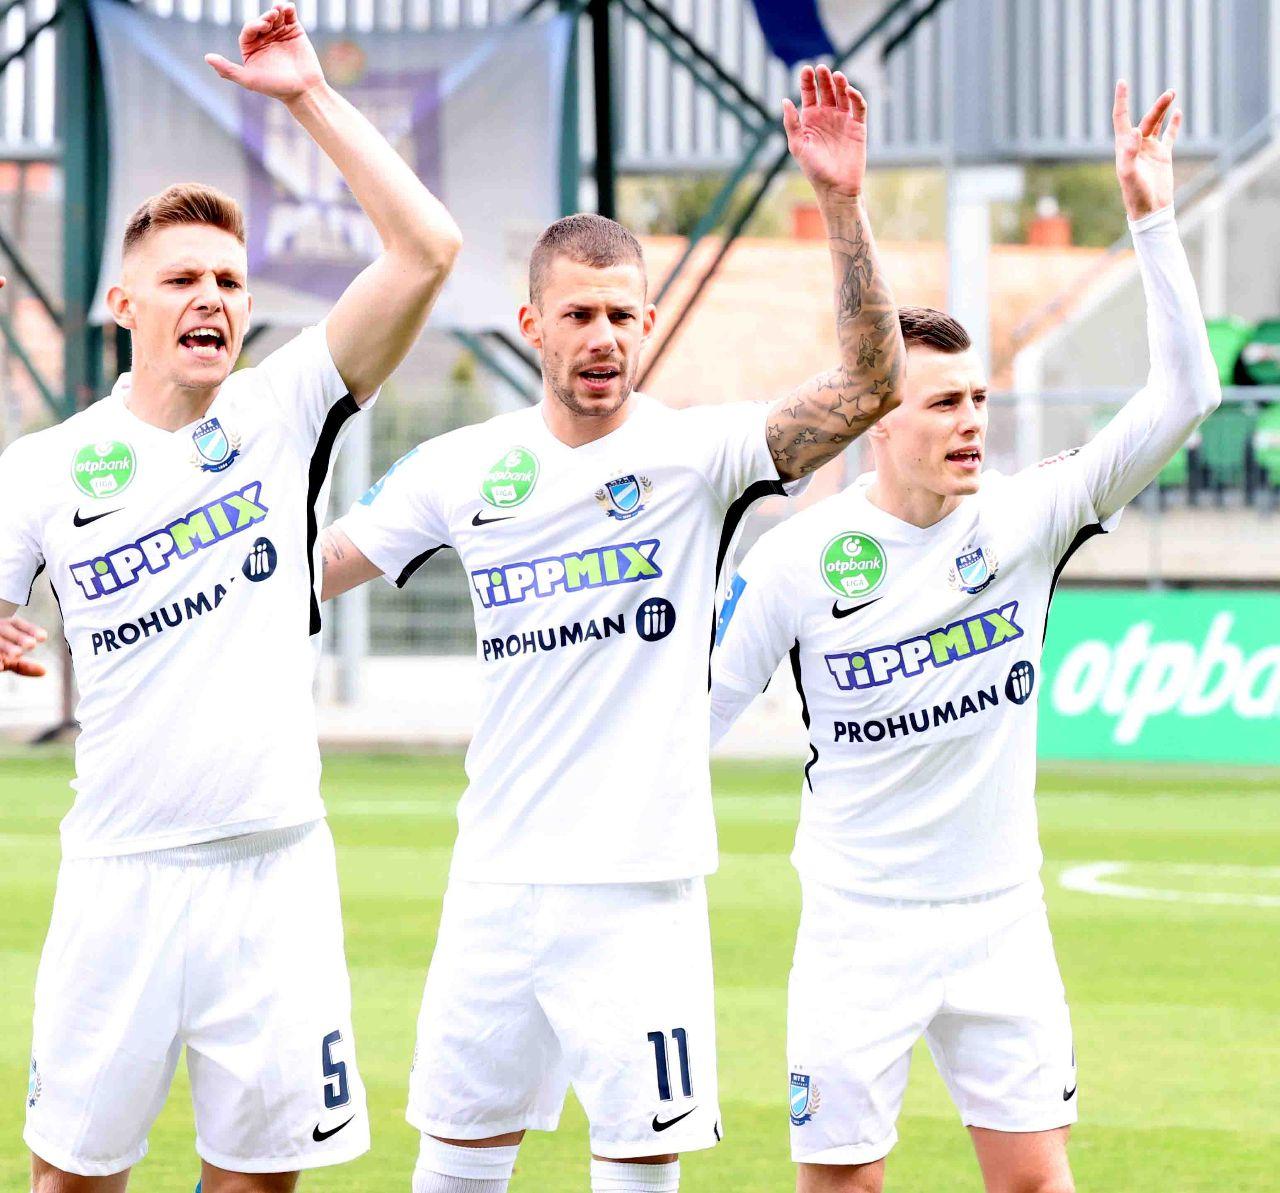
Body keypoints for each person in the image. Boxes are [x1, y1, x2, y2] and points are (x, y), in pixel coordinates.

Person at [318, 64, 903, 1193]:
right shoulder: (460, 467)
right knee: (454, 1165)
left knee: (637, 1164)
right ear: (532, 323)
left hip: (639, 887)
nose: (602, 337)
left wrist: (840, 202)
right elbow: (306, 576)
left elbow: (870, 386)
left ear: (647, 324)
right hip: (495, 877)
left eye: (622, 316)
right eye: (579, 315)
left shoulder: (699, 454)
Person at [708, 83, 1219, 1193]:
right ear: (876, 418)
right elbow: (683, 721)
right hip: (857, 925)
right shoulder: (795, 561)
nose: (972, 421)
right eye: (942, 403)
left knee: (1034, 1180)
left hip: (999, 918)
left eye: (978, 398)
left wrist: (1150, 217)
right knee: (843, 1181)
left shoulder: (1027, 519)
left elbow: (1186, 395)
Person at [0, 5, 462, 1190]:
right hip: (120, 875)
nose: (210, 296)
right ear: (124, 305)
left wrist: (307, 99)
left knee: (259, 1179)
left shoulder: (281, 408)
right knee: (71, 1180)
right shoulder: (43, 469)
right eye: (181, 279)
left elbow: (426, 249)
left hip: (275, 874)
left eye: (228, 280)